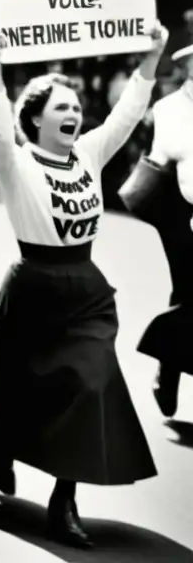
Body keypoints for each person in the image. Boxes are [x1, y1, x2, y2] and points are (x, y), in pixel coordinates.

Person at [0, 26, 166, 549]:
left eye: (76, 107)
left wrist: (153, 56)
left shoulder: (91, 153)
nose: (74, 114)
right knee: (19, 386)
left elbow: (124, 114)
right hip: (32, 286)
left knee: (90, 384)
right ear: (35, 118)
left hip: (85, 290)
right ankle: (2, 446)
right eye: (61, 108)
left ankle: (64, 499)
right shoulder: (15, 161)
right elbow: (0, 129)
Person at [122, 41, 193, 418]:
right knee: (187, 294)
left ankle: (169, 365)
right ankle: (169, 368)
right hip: (184, 216)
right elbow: (167, 153)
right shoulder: (168, 109)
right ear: (188, 67)